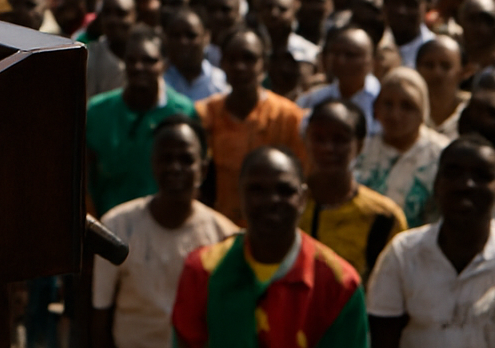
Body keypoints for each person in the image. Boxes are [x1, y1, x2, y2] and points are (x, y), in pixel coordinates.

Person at [170, 147, 368, 348]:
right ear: (240, 195)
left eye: (284, 190)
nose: (271, 200)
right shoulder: (202, 271)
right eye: (257, 190)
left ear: (302, 198)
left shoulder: (339, 284)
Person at [92, 116, 239, 348]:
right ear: (153, 163)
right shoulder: (116, 227)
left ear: (203, 168)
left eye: (186, 159)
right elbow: (100, 313)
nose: (175, 168)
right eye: (166, 158)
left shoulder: (224, 236)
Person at [366, 135, 495, 348]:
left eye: (482, 175)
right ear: (436, 184)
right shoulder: (403, 254)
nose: (466, 185)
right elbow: (383, 338)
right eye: (453, 173)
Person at [197, 27, 307, 223]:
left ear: (264, 65)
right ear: (222, 64)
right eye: (232, 59)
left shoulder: (288, 117)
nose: (240, 67)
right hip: (217, 226)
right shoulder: (205, 114)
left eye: (249, 59)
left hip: (273, 225)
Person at [87, 26, 198, 215]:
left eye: (149, 61)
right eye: (132, 60)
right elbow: (86, 180)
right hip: (109, 227)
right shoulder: (97, 112)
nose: (139, 67)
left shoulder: (183, 111)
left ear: (165, 64)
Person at [301, 99, 407, 283]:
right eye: (319, 138)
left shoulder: (383, 218)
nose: (327, 148)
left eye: (339, 140)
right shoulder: (288, 205)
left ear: (359, 145)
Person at [357, 68, 451, 228]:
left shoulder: (443, 155)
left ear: (422, 110)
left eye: (407, 106)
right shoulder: (360, 149)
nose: (395, 115)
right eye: (387, 104)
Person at [299, 26, 382, 135]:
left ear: (371, 60)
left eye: (350, 55)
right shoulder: (312, 100)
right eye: (336, 53)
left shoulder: (382, 100)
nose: (340, 61)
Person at [164, 6, 231, 103]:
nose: (183, 42)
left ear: (206, 37)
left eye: (191, 35)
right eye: (176, 35)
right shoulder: (160, 81)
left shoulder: (220, 81)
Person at [88, 0, 137, 100]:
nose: (113, 20)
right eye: (107, 13)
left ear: (135, 16)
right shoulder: (90, 57)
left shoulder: (146, 57)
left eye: (121, 14)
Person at [416, 37, 469, 138]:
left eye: (446, 66)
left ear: (462, 73)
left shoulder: (473, 113)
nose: (437, 73)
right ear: (417, 69)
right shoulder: (405, 111)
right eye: (429, 65)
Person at [384, 0, 435, 81]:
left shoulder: (434, 51)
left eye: (410, 4)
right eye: (395, 3)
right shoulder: (373, 46)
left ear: (425, 7)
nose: (401, 11)